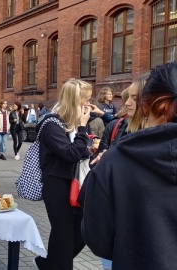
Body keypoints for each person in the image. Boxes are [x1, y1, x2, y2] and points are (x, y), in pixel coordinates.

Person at [81, 62, 177, 270]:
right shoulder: (116, 155)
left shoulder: (117, 160)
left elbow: (97, 236)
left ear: (149, 103)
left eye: (136, 98)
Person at [32, 78, 93, 270]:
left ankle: (49, 264)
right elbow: (70, 154)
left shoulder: (73, 123)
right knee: (63, 233)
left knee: (81, 230)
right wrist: (83, 128)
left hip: (74, 182)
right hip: (56, 184)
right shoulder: (52, 124)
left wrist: (91, 149)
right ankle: (54, 265)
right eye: (86, 99)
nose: (88, 104)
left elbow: (81, 151)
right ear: (74, 100)